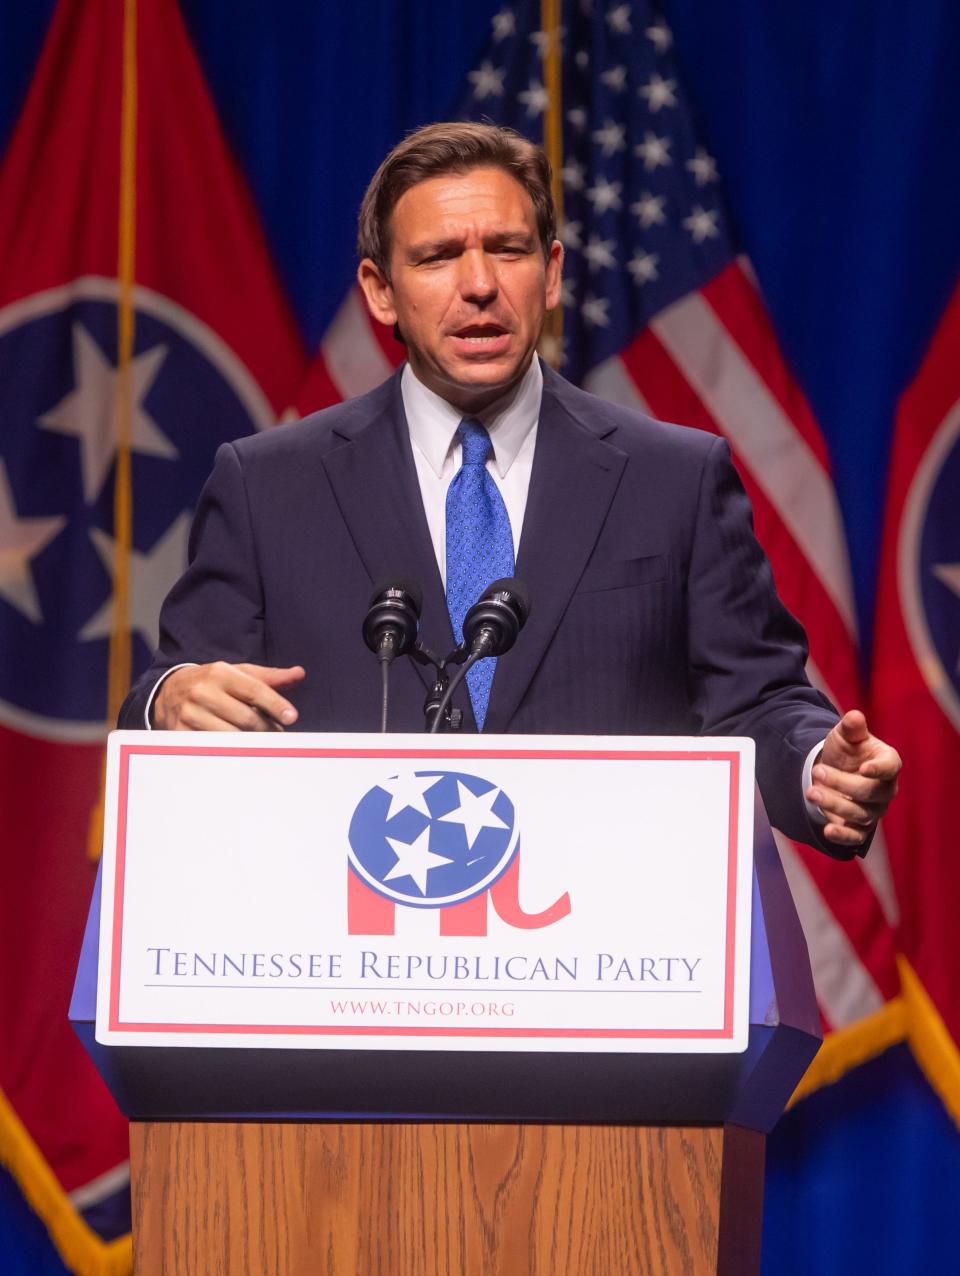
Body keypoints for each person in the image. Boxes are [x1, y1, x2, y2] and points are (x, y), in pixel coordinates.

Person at [119, 122, 900, 858]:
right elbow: (172, 689)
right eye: (437, 257)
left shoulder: (676, 479)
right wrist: (171, 701)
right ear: (380, 291)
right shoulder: (267, 485)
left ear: (552, 272)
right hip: (346, 951)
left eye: (509, 250)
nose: (481, 285)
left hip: (600, 946)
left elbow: (759, 701)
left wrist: (814, 769)